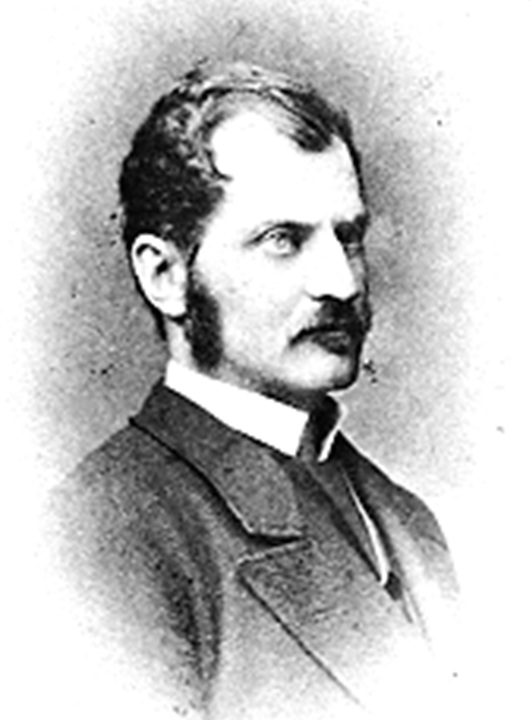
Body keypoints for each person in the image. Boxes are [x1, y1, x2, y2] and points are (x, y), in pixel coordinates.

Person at [55, 62, 458, 720]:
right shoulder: (99, 536)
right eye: (282, 240)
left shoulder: (408, 522)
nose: (341, 283)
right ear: (166, 276)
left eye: (348, 237)